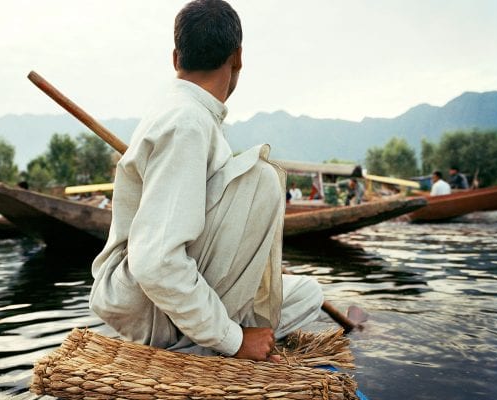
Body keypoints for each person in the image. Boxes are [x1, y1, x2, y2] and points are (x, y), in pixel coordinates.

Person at [90, 0, 323, 362]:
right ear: (238, 58)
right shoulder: (186, 123)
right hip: (144, 305)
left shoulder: (184, 113)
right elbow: (155, 262)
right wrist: (234, 339)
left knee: (307, 294)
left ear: (175, 58)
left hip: (154, 298)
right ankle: (202, 346)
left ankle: (205, 333)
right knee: (261, 178)